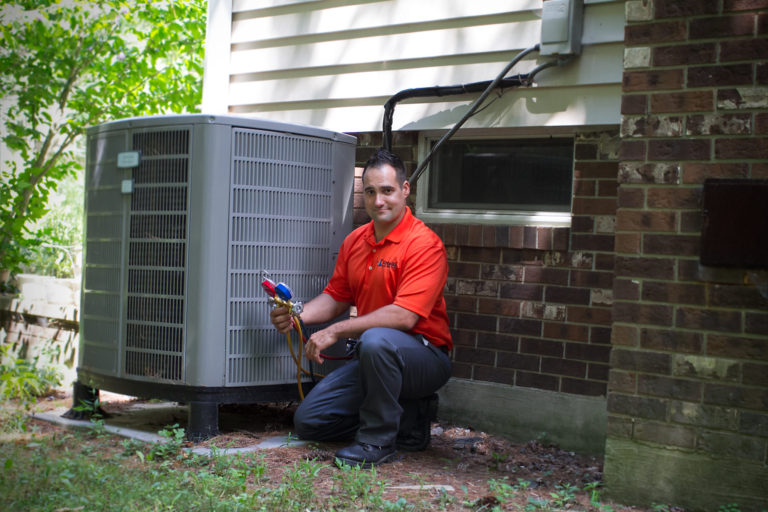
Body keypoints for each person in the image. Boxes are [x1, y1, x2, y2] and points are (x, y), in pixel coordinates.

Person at [269, 148, 452, 468]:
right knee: (310, 422)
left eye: (387, 191)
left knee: (376, 339)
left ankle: (376, 441)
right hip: (375, 357)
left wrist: (336, 330)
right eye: (370, 192)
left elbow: (404, 316)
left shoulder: (425, 245)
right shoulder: (355, 241)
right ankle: (407, 420)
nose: (378, 201)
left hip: (424, 358)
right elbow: (336, 297)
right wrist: (296, 315)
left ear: (405, 190)